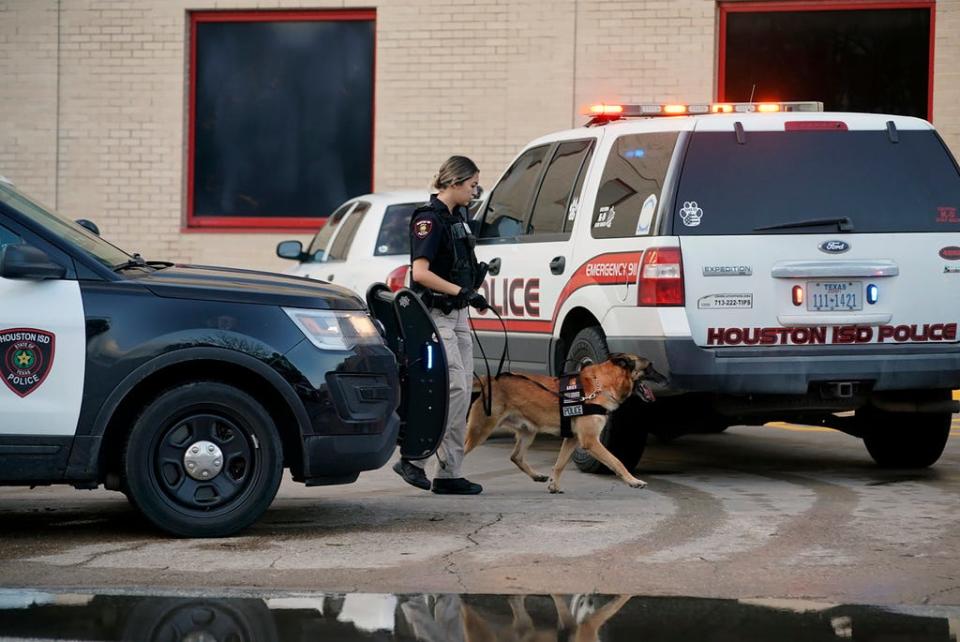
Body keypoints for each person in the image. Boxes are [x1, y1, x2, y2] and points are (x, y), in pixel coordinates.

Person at [393, 155, 488, 495]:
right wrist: (460, 290)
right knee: (453, 389)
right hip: (436, 316)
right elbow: (420, 273)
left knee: (463, 393)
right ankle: (414, 460)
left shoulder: (457, 218)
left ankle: (449, 474)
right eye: (472, 185)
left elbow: (457, 263)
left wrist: (474, 281)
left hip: (459, 314)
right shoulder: (429, 220)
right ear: (454, 182)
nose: (475, 191)